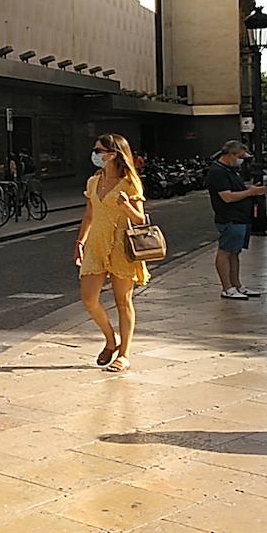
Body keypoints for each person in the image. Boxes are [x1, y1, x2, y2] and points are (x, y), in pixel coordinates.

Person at [73, 134, 151, 373]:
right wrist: (79, 241)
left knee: (122, 301)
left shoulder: (130, 183)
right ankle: (110, 339)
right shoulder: (93, 182)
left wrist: (126, 205)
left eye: (99, 150)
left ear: (113, 154)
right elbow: (89, 214)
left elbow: (141, 219)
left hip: (121, 246)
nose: (95, 154)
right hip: (96, 244)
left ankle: (124, 354)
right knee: (89, 298)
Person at [206, 140, 267, 300]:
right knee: (226, 251)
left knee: (234, 252)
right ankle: (227, 287)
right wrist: (250, 193)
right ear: (231, 154)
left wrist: (250, 190)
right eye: (240, 156)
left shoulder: (231, 170)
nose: (242, 160)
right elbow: (226, 197)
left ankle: (236, 285)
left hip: (240, 217)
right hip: (229, 218)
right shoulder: (218, 172)